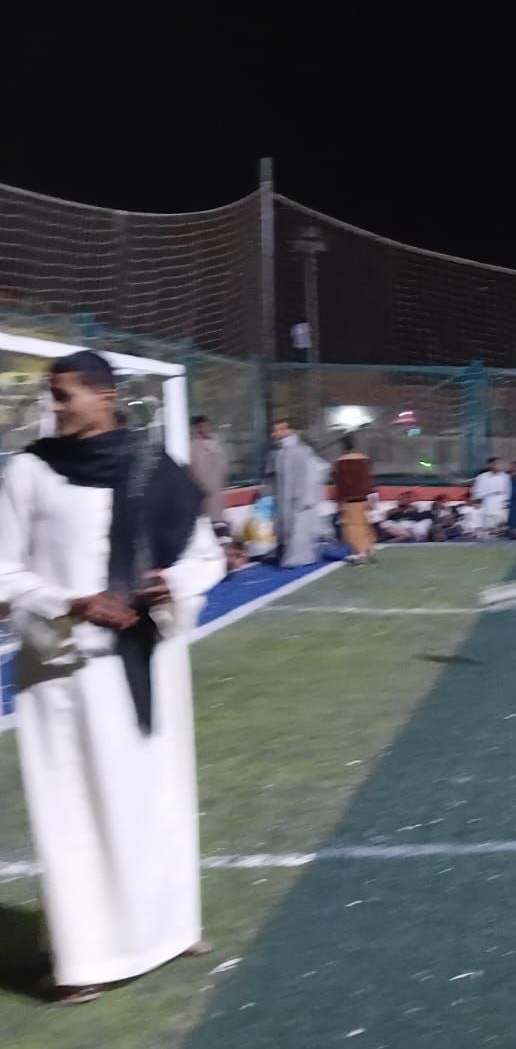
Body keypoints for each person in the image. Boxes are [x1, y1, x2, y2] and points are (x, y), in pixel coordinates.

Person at [0, 351, 225, 1003]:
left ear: (106, 397)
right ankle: (86, 957)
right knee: (76, 813)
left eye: (64, 395)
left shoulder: (155, 467)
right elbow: (4, 569)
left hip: (149, 660)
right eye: (52, 396)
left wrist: (170, 583)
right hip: (68, 671)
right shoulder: (30, 471)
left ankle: (170, 928)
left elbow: (205, 556)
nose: (55, 407)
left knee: (158, 797)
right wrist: (69, 602)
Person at [271, 418, 326, 568]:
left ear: (290, 430)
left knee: (299, 530)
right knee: (288, 529)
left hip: (299, 498)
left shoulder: (302, 451)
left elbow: (308, 476)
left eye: (280, 429)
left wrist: (304, 497)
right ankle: (290, 555)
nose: (276, 433)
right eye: (276, 430)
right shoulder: (280, 453)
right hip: (286, 499)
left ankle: (300, 558)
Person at [331, 434, 377, 564]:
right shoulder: (365, 460)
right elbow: (370, 480)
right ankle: (369, 549)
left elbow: (341, 485)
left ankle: (360, 553)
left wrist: (339, 502)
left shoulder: (341, 463)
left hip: (351, 500)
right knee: (365, 525)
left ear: (342, 447)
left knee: (353, 527)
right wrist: (373, 498)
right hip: (366, 498)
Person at [189, 415, 228, 525]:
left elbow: (223, 465)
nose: (204, 429)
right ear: (197, 428)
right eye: (201, 427)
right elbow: (193, 471)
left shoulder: (217, 443)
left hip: (217, 492)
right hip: (202, 496)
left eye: (206, 426)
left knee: (219, 523)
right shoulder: (193, 447)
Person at [471, 458, 511, 535]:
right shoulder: (482, 477)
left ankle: (498, 532)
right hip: (487, 500)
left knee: (500, 518)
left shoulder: (505, 476)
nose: (498, 466)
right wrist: (476, 501)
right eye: (496, 464)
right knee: (486, 520)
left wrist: (506, 503)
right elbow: (476, 490)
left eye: (499, 464)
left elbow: (508, 490)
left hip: (500, 500)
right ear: (490, 465)